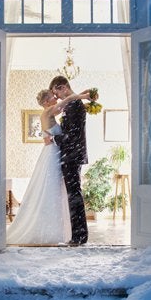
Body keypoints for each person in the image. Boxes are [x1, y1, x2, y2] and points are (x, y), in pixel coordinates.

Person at [6, 87, 91, 246]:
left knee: (53, 190)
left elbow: (67, 108)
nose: (56, 99)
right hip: (53, 154)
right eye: (53, 97)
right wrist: (83, 96)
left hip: (55, 153)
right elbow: (66, 101)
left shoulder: (48, 113)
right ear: (46, 102)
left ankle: (56, 230)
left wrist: (82, 98)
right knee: (51, 190)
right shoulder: (48, 111)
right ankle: (48, 230)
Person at [49, 75, 90, 247]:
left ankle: (79, 237)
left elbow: (71, 135)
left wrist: (54, 139)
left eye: (56, 92)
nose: (56, 97)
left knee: (74, 195)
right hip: (73, 155)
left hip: (72, 155)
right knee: (73, 194)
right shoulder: (72, 103)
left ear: (63, 87)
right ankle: (79, 235)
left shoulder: (74, 105)